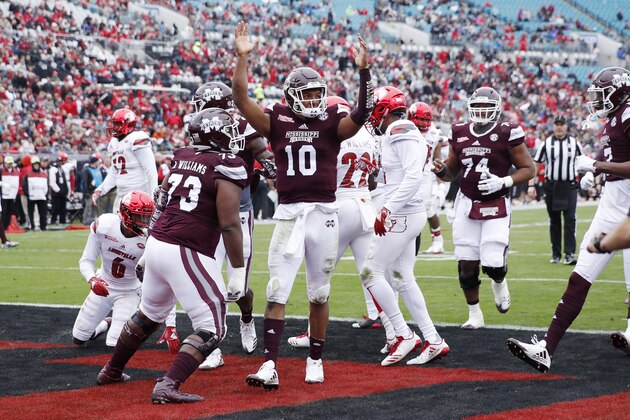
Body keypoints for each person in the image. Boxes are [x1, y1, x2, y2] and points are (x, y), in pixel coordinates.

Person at [232, 21, 373, 387]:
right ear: (292, 95)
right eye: (307, 96)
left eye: (317, 95)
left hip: (325, 216)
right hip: (290, 216)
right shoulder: (276, 118)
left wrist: (364, 72)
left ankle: (315, 358)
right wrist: (242, 59)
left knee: (319, 292)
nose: (314, 102)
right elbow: (240, 99)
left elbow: (361, 115)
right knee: (276, 290)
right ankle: (269, 364)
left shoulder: (330, 120)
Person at [96, 107, 248, 404]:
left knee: (149, 315)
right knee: (213, 326)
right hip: (187, 248)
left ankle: (112, 370)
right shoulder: (227, 165)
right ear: (216, 134)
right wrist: (239, 271)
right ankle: (168, 384)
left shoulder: (183, 156)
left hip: (159, 244)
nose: (233, 136)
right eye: (228, 130)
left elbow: (161, 202)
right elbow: (229, 224)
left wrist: (148, 245)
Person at [507, 67, 630, 372]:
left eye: (601, 94)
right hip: (612, 205)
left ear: (619, 91)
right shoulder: (614, 118)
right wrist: (598, 174)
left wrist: (598, 165)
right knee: (580, 276)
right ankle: (546, 348)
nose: (596, 101)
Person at [186, 81, 276, 370]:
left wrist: (270, 167)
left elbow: (263, 153)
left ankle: (246, 318)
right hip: (206, 214)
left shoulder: (243, 128)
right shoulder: (197, 129)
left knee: (239, 286)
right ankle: (211, 341)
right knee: (207, 283)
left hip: (239, 212)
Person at [359, 86, 450, 366]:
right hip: (406, 213)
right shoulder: (397, 131)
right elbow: (399, 174)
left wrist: (387, 208)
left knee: (370, 271)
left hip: (404, 214)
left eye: (375, 109)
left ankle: (403, 333)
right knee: (401, 276)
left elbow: (411, 178)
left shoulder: (401, 129)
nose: (372, 116)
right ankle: (433, 339)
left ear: (383, 109)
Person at [433, 86, 535, 329]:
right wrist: (441, 171)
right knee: (466, 263)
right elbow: (452, 171)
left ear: (497, 109)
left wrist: (505, 180)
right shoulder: (459, 131)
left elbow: (529, 169)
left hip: (496, 203)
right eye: (477, 107)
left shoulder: (506, 132)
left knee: (493, 263)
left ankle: (499, 283)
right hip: (467, 202)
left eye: (486, 108)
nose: (480, 112)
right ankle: (474, 314)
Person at [72, 191, 154, 347]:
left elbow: (156, 274)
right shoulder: (105, 226)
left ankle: (120, 325)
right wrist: (92, 280)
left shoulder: (149, 239)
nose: (145, 222)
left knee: (114, 343)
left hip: (129, 292)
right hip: (104, 284)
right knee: (79, 338)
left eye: (147, 217)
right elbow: (86, 260)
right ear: (126, 215)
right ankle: (105, 324)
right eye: (139, 217)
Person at [530, 116, 583, 265]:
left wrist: (591, 181)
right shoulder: (546, 144)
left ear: (566, 126)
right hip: (552, 186)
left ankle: (569, 254)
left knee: (570, 219)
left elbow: (584, 162)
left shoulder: (575, 143)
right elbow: (535, 165)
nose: (559, 127)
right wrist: (531, 185)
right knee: (554, 221)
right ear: (553, 126)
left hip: (570, 185)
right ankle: (556, 254)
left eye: (562, 124)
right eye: (557, 124)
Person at [92, 109, 158, 213]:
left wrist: (153, 197)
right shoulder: (114, 143)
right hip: (121, 194)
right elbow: (114, 171)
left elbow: (151, 171)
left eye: (118, 124)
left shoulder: (136, 138)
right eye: (114, 124)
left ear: (129, 124)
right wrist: (102, 189)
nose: (114, 127)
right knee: (115, 227)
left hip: (138, 196)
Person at [407, 102, 449, 254]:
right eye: (421, 119)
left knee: (426, 209)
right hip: (406, 174)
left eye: (426, 120)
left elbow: (438, 163)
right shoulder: (403, 130)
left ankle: (437, 240)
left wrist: (441, 187)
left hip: (426, 176)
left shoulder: (434, 135)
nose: (424, 123)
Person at [22, 156, 48, 231]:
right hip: (32, 197)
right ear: (32, 165)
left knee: (43, 213)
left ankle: (43, 226)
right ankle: (32, 226)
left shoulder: (43, 174)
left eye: (37, 164)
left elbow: (46, 185)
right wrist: (28, 194)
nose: (36, 165)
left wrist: (45, 194)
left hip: (41, 197)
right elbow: (24, 185)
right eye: (35, 164)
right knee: (31, 213)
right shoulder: (28, 174)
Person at [82, 155, 106, 225]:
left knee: (95, 206)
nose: (99, 163)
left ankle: (93, 219)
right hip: (90, 192)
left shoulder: (98, 169)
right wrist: (86, 192)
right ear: (94, 162)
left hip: (97, 192)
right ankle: (86, 220)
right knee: (88, 206)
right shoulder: (87, 170)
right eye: (98, 161)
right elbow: (85, 182)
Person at [49, 153, 70, 225]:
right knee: (55, 208)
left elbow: (65, 181)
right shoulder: (53, 169)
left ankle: (62, 221)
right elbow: (52, 182)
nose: (61, 163)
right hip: (56, 193)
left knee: (63, 208)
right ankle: (53, 220)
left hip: (62, 193)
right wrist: (59, 191)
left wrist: (66, 191)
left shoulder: (62, 169)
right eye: (60, 161)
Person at [1, 156, 20, 230]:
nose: (9, 165)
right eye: (8, 163)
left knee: (10, 211)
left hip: (12, 195)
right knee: (3, 211)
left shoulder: (16, 171)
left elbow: (16, 183)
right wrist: (3, 184)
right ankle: (2, 227)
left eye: (11, 163)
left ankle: (6, 226)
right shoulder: (1, 171)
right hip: (4, 195)